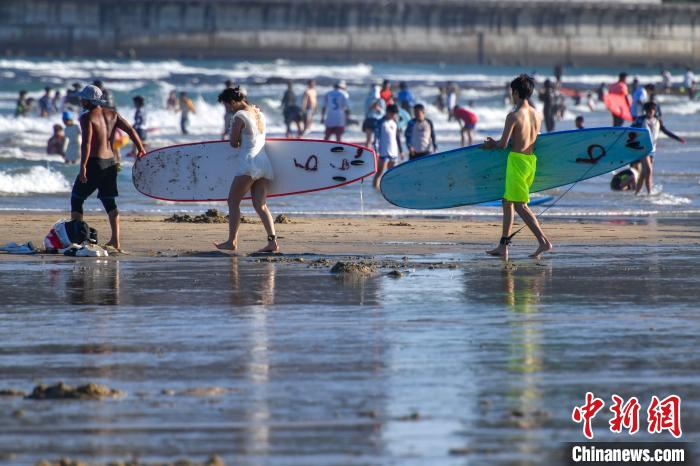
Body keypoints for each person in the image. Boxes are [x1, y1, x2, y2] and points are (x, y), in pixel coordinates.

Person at [482, 74, 552, 259]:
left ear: (515, 92)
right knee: (508, 203)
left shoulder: (513, 116)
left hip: (517, 162)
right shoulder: (537, 114)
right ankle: (503, 246)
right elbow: (531, 137)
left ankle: (544, 242)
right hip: (530, 161)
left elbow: (503, 144)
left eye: (512, 92)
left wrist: (491, 144)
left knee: (520, 205)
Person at [70, 85, 146, 252]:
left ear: (89, 100)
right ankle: (115, 241)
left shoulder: (87, 117)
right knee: (109, 201)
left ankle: (77, 239)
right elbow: (131, 130)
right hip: (110, 163)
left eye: (83, 98)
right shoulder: (113, 114)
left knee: (77, 198)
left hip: (94, 163)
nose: (80, 100)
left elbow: (87, 143)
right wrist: (140, 148)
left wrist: (82, 166)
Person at [214, 87, 278, 253]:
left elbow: (233, 143)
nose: (227, 108)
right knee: (260, 205)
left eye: (227, 105)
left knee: (233, 202)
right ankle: (272, 242)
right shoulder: (259, 114)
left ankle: (231, 241)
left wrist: (232, 128)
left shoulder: (239, 116)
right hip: (264, 163)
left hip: (249, 164)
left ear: (233, 102)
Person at [372, 104, 403, 189]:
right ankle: (374, 190)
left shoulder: (395, 122)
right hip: (383, 152)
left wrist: (401, 151)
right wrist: (376, 151)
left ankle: (390, 189)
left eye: (395, 113)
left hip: (394, 151)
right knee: (380, 173)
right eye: (392, 113)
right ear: (387, 112)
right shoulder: (380, 122)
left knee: (392, 174)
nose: (394, 115)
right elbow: (376, 138)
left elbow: (397, 138)